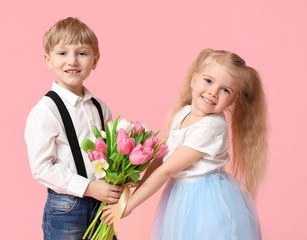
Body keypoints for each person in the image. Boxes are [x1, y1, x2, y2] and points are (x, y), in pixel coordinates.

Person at [101, 48, 268, 239]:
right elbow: (162, 156)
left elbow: (167, 170)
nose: (213, 92)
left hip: (204, 200)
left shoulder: (211, 128)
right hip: (181, 194)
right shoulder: (184, 113)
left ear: (233, 100)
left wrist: (128, 206)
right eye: (208, 81)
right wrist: (135, 186)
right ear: (193, 79)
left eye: (225, 90)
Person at [24, 17, 124, 240]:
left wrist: (121, 176)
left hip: (101, 205)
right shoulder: (46, 111)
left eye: (82, 53)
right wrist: (89, 187)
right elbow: (41, 168)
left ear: (95, 60)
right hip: (66, 208)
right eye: (62, 53)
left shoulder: (100, 107)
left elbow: (110, 153)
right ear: (48, 60)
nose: (72, 61)